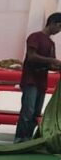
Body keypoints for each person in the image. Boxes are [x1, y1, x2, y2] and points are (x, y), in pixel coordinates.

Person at [15, 12, 61, 143]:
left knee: (36, 113)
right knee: (27, 112)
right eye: (59, 26)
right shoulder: (35, 37)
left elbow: (51, 65)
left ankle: (28, 138)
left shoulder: (51, 43)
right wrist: (52, 61)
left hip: (41, 81)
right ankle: (20, 138)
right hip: (30, 80)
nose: (59, 30)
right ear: (52, 23)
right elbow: (31, 56)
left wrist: (57, 66)